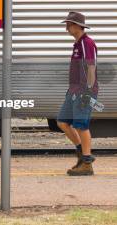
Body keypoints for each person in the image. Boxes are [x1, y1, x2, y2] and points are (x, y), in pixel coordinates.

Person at [56, 11, 99, 176]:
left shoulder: (87, 43)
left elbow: (91, 67)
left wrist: (87, 91)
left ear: (77, 26)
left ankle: (87, 163)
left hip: (84, 92)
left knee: (81, 125)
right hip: (73, 91)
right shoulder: (77, 44)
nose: (66, 28)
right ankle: (82, 153)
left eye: (69, 24)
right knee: (62, 121)